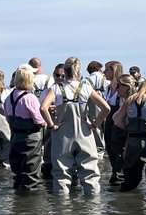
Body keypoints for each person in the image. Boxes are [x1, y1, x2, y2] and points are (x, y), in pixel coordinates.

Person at [41, 57, 110, 195]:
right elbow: (106, 108)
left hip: (62, 136)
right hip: (84, 135)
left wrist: (51, 125)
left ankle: (62, 212)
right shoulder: (86, 88)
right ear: (78, 72)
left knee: (61, 174)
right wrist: (95, 124)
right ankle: (93, 211)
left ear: (65, 72)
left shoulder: (56, 88)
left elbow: (43, 108)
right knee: (90, 174)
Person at [4, 65, 53, 192]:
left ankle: (17, 201)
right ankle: (30, 204)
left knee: (18, 170)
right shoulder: (30, 98)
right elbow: (40, 121)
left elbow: (8, 117)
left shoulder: (9, 97)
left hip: (15, 136)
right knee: (31, 170)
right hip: (30, 138)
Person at [102, 60, 125, 179]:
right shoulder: (108, 88)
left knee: (118, 148)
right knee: (109, 148)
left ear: (114, 71)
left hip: (118, 123)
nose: (104, 72)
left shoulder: (122, 87)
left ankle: (120, 174)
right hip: (108, 122)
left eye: (107, 70)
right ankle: (115, 172)